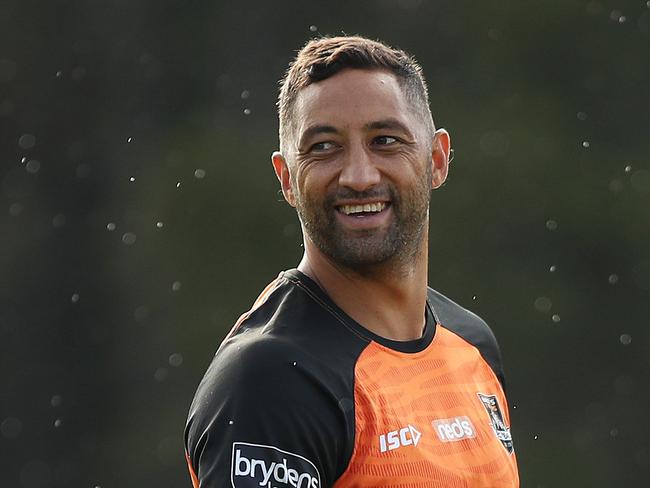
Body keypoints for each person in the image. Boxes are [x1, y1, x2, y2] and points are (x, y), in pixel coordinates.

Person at [184, 35, 519, 487]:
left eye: (384, 140)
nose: (359, 176)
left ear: (437, 159)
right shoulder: (273, 380)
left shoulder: (472, 343)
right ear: (286, 179)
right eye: (323, 147)